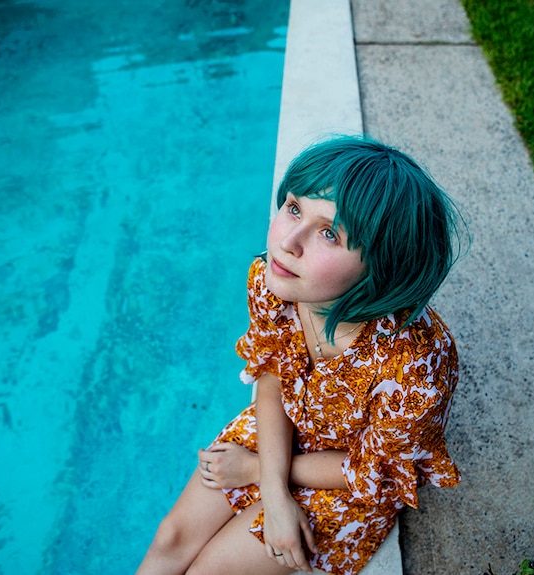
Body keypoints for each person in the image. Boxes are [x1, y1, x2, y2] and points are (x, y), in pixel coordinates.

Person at [135, 136, 466, 575]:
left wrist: (257, 471)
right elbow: (274, 375)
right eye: (293, 207)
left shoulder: (415, 366)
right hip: (278, 432)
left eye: (329, 233)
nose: (288, 241)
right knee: (169, 538)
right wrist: (270, 487)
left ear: (384, 267)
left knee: (210, 570)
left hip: (344, 481)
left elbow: (372, 471)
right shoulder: (274, 284)